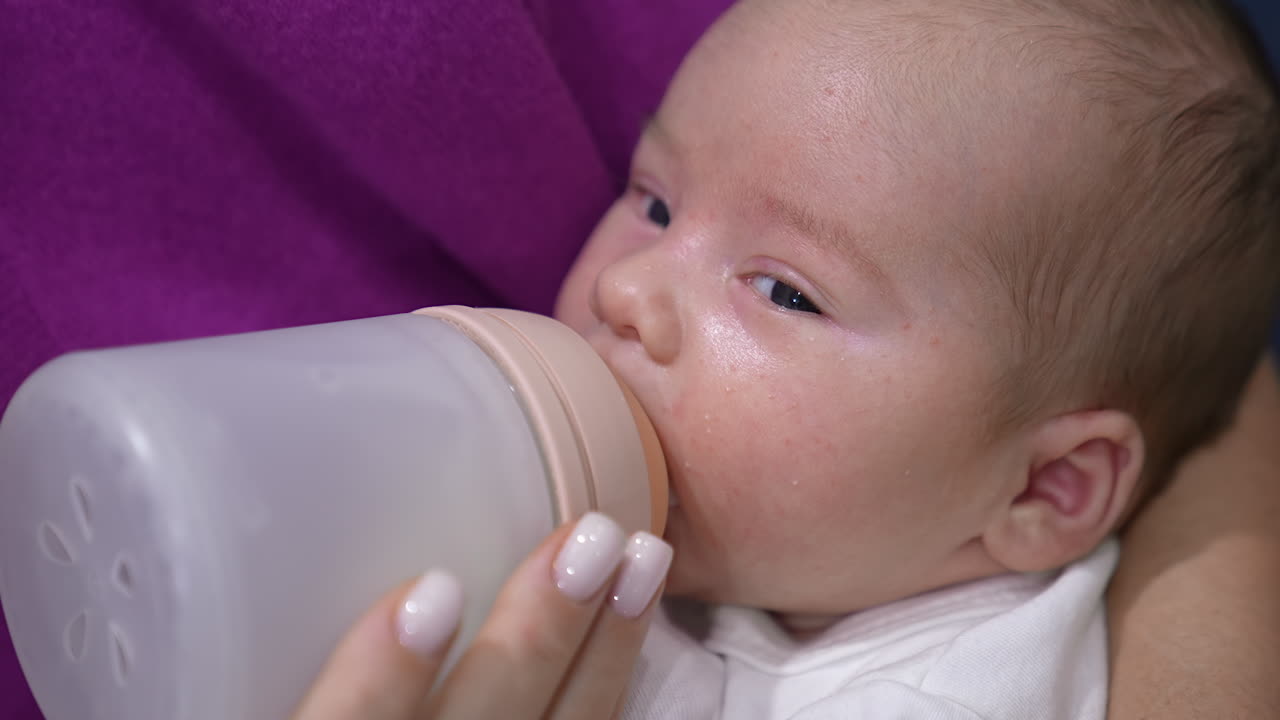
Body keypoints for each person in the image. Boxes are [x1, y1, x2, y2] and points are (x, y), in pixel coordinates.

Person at [294, 0, 1280, 718]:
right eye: (652, 202)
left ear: (1046, 491)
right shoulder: (784, 557)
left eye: (781, 291)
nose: (621, 293)